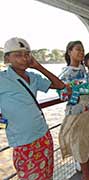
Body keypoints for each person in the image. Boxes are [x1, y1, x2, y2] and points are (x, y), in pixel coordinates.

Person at [0, 37, 71, 180]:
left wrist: (38, 66)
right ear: (7, 58)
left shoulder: (33, 77)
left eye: (27, 54)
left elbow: (60, 85)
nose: (24, 58)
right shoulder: (2, 79)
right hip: (23, 142)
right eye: (18, 55)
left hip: (44, 135)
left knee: (47, 175)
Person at [58, 41, 89, 180]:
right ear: (69, 52)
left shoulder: (83, 71)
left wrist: (78, 89)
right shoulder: (65, 73)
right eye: (78, 50)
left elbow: (88, 91)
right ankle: (87, 176)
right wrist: (74, 90)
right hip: (78, 115)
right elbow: (63, 96)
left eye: (82, 50)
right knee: (80, 147)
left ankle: (87, 175)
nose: (81, 52)